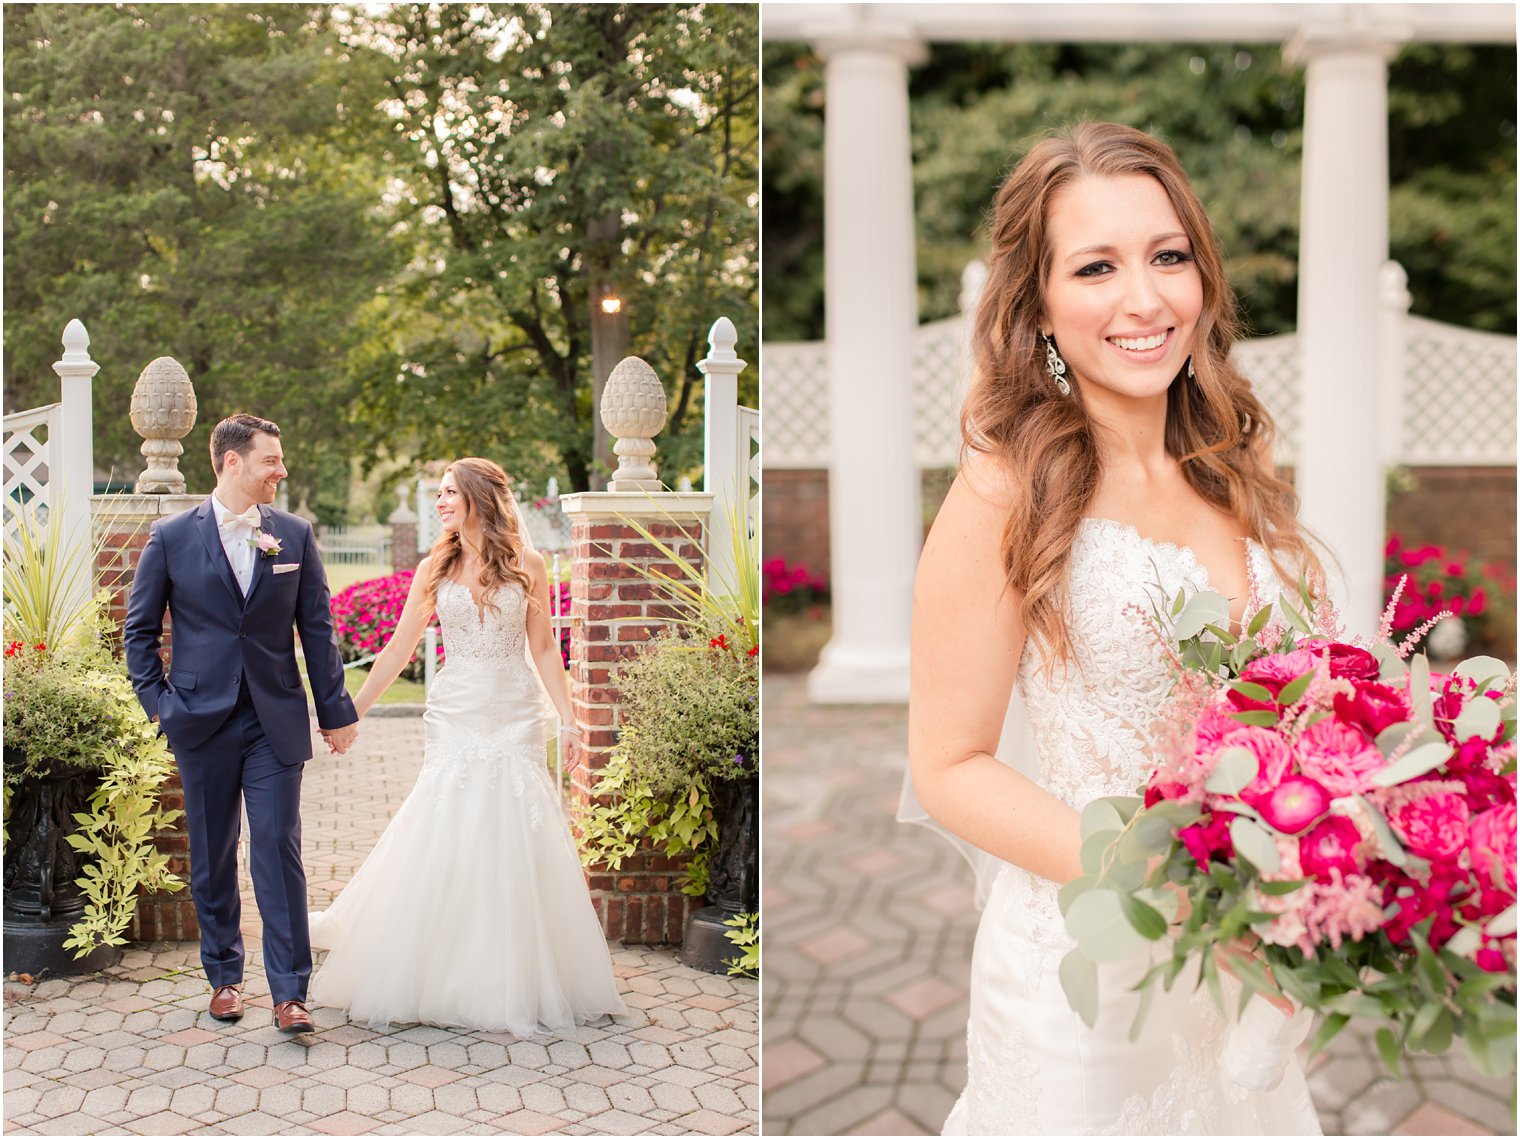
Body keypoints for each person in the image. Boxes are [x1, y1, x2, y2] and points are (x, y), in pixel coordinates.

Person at [907, 123, 1325, 1134]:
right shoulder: (1006, 490)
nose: (1143, 299)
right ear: (1039, 303)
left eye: (1166, 256)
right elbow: (949, 764)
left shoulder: (1230, 467)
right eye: (1096, 266)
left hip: (1247, 953)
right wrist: (1179, 891)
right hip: (1086, 966)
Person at [307, 457, 627, 1034]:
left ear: (480, 496)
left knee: (514, 826)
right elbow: (401, 646)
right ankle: (436, 958)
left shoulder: (529, 564)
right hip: (455, 712)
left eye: (450, 493)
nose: (441, 503)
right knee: (450, 818)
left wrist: (570, 718)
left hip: (514, 710)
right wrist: (352, 711)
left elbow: (546, 650)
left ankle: (514, 969)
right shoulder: (435, 566)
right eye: (439, 495)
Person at [125, 413, 359, 1036]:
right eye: (271, 460)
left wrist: (335, 711)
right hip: (199, 722)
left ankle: (289, 993)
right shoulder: (171, 538)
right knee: (212, 854)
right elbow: (139, 635)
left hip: (273, 720)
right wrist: (163, 708)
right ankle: (224, 978)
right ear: (233, 462)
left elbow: (318, 632)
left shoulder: (295, 536)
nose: (281, 470)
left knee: (278, 847)